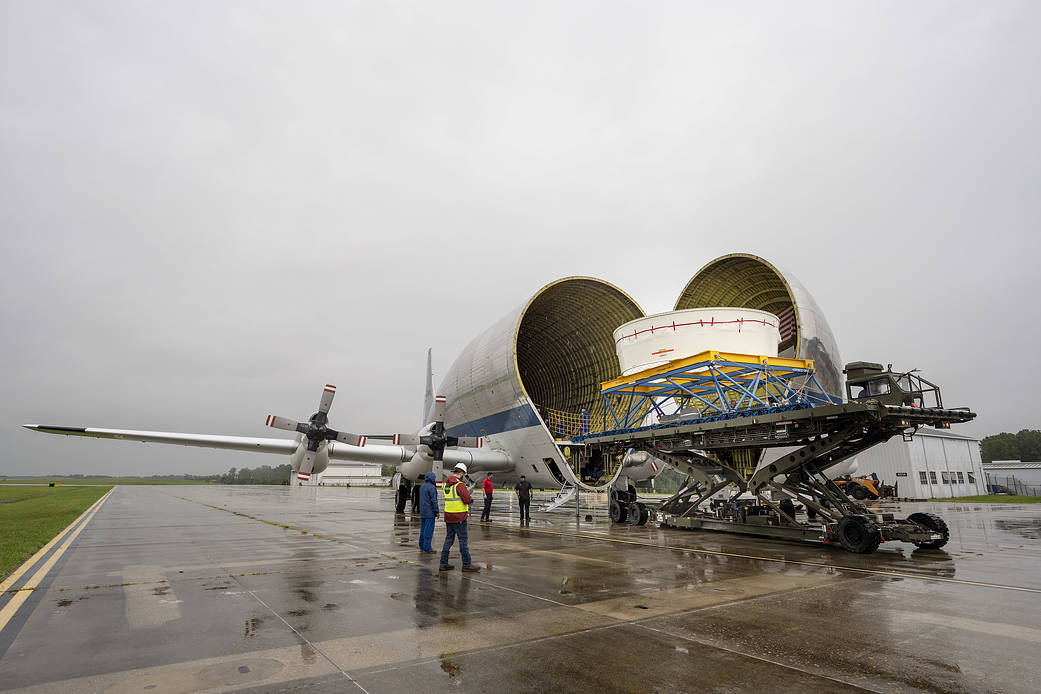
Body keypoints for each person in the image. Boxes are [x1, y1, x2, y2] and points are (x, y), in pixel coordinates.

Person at [440, 463, 479, 573]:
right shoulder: (459, 485)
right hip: (459, 517)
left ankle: (443, 563)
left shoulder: (446, 484)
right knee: (463, 541)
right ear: (461, 473)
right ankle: (466, 565)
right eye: (463, 474)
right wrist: (470, 500)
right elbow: (466, 499)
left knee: (448, 540)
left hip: (449, 516)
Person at [418, 471, 439, 553]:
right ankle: (427, 548)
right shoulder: (432, 487)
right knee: (428, 531)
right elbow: (434, 501)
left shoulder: (422, 487)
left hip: (423, 512)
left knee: (422, 530)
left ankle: (422, 546)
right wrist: (437, 511)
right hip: (430, 512)